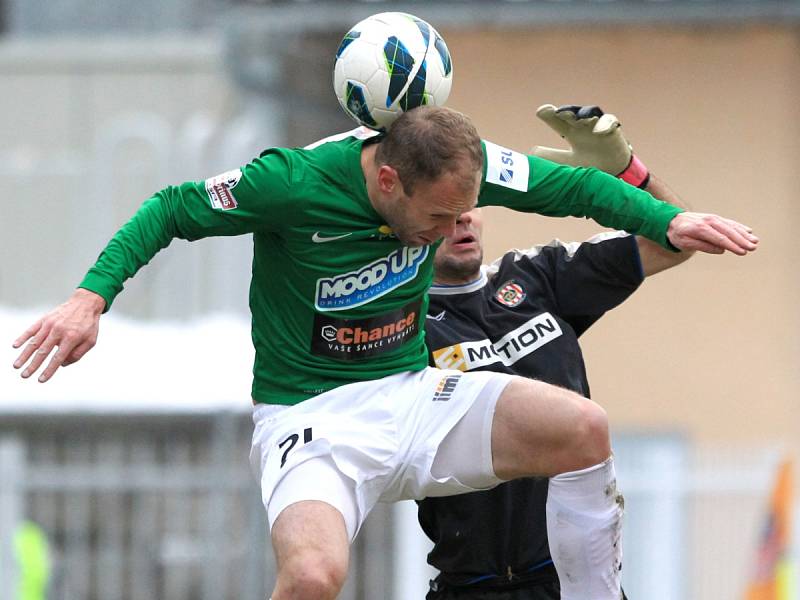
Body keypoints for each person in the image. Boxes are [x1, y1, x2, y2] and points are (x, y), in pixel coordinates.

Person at [11, 105, 757, 600]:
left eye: (465, 213)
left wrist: (670, 213)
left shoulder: (523, 265)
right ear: (390, 179)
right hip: (315, 419)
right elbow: (174, 206)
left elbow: (569, 187)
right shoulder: (292, 183)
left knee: (583, 429)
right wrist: (90, 297)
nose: (448, 231)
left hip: (411, 396)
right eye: (436, 217)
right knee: (312, 576)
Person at [419, 103, 691, 599]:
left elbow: (673, 242)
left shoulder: (538, 275)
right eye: (443, 209)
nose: (462, 219)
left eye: (469, 202)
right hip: (471, 586)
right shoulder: (404, 326)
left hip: (575, 584)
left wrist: (627, 175)